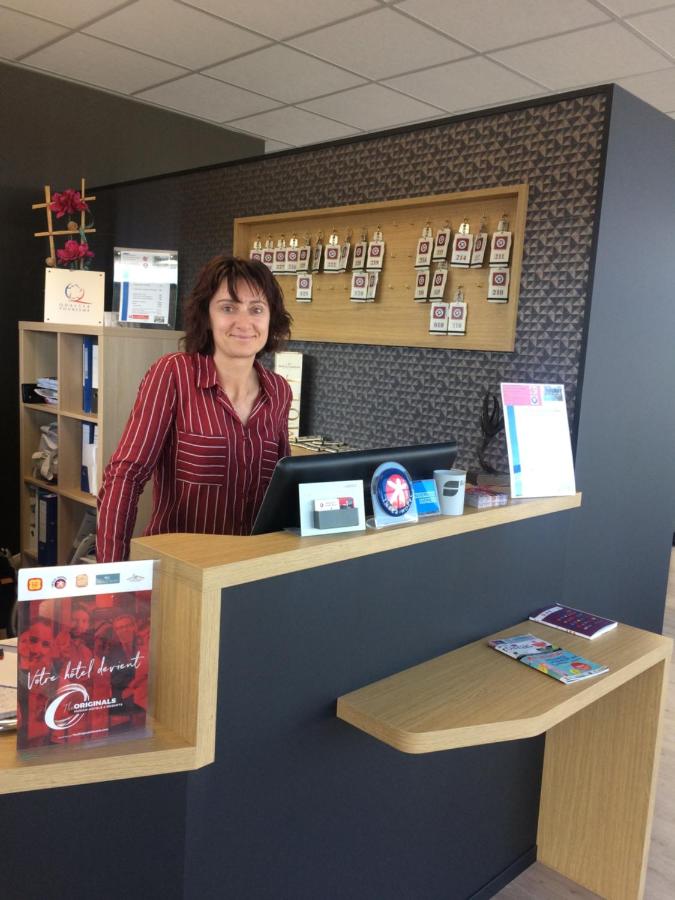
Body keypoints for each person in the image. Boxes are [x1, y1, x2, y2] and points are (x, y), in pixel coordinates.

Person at [96, 256, 293, 562]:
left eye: (256, 309)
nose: (244, 323)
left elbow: (283, 490)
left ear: (271, 318)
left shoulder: (278, 391)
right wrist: (111, 573)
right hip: (180, 567)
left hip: (248, 568)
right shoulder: (174, 374)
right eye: (228, 308)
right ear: (207, 315)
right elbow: (126, 476)